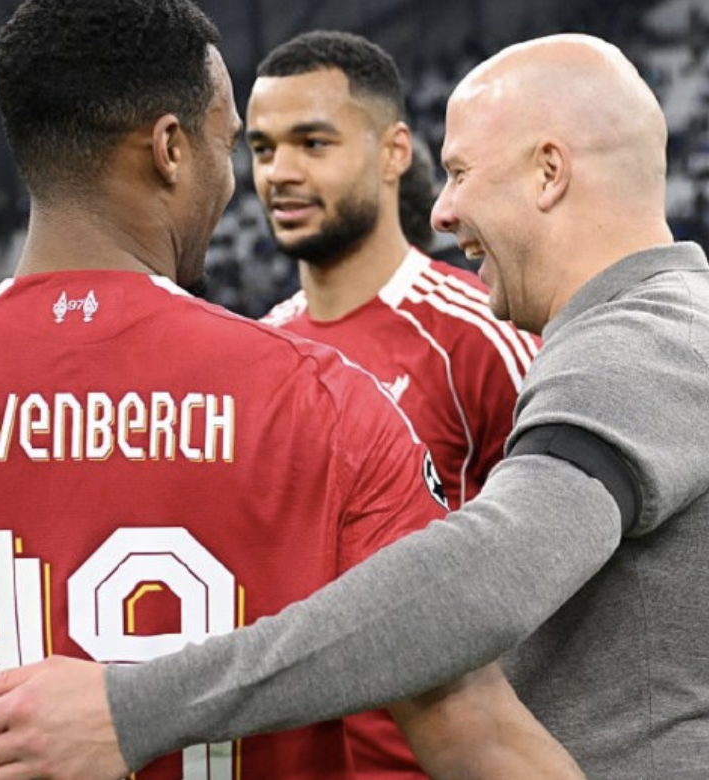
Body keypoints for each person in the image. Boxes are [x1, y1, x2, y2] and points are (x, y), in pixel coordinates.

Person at [0, 32, 709, 780]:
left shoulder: (642, 345)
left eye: (459, 172)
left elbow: (481, 581)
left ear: (549, 172)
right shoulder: (648, 331)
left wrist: (132, 708)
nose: (445, 208)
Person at [0, 3, 585, 780]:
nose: (242, 179)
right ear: (171, 148)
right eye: (230, 143)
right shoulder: (322, 403)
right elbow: (467, 726)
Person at [247, 30, 538, 779]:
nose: (280, 172)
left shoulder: (479, 335)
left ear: (393, 152)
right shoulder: (258, 356)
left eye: (313, 143)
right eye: (262, 148)